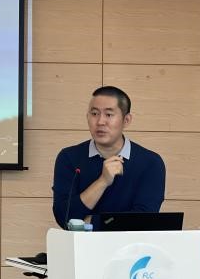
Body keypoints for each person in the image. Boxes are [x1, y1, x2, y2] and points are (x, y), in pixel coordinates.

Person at [52, 86, 165, 229]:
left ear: (126, 120)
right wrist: (103, 181)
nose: (100, 121)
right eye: (94, 113)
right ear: (87, 117)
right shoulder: (69, 157)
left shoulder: (150, 162)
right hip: (82, 243)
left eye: (109, 115)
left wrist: (92, 222)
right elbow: (64, 216)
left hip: (131, 243)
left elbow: (144, 219)